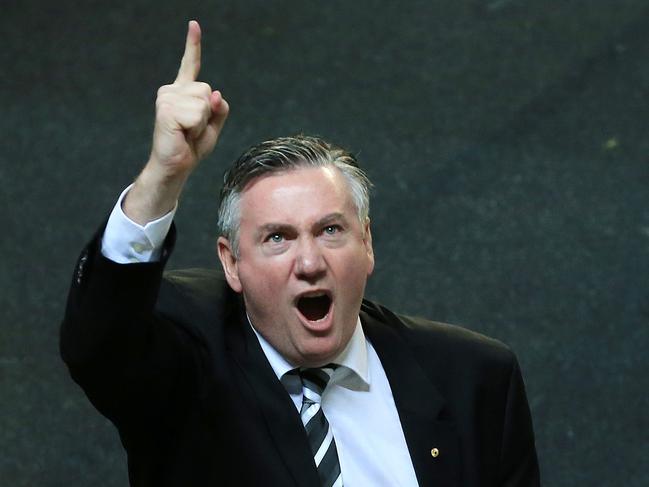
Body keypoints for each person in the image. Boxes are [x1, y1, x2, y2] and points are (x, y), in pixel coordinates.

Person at [60, 20, 540, 487]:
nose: (309, 264)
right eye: (277, 238)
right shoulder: (188, 367)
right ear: (231, 262)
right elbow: (102, 341)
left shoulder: (473, 378)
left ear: (367, 243)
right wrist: (164, 175)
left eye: (330, 230)